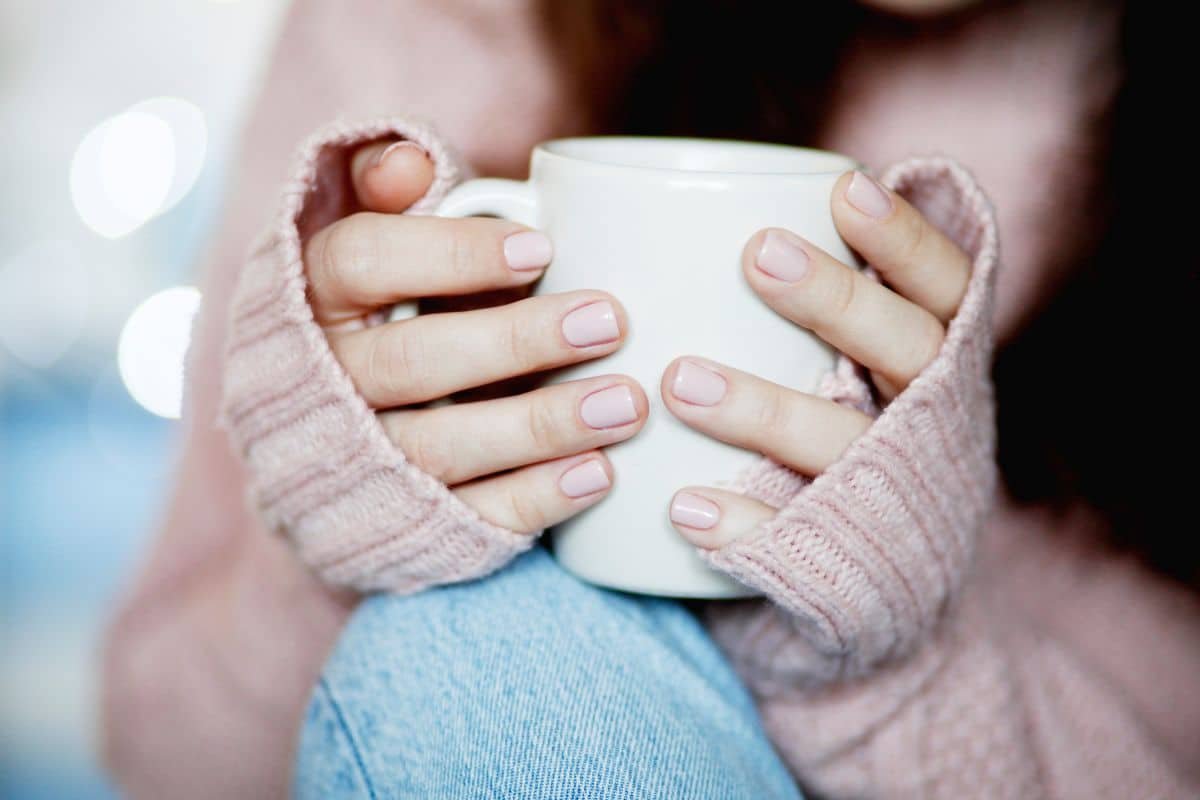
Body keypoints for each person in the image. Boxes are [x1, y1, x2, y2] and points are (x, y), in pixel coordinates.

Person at [101, 0, 1200, 797]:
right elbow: (160, 759)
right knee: (477, 649)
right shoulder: (432, 30)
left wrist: (897, 662)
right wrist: (335, 543)